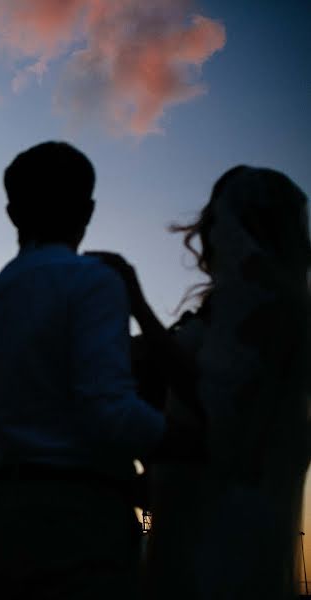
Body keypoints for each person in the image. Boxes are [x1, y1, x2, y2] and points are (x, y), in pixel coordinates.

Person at [0, 141, 193, 599]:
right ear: (87, 210)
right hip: (78, 516)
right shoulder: (94, 282)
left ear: (12, 212)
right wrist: (192, 444)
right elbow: (110, 408)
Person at [98, 166, 311, 599]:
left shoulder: (270, 313)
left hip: (222, 528)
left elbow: (215, 402)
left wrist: (136, 302)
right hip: (186, 508)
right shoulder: (236, 309)